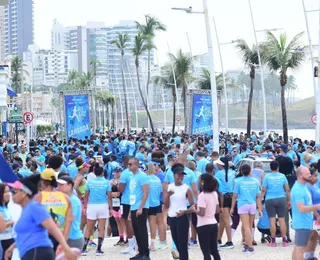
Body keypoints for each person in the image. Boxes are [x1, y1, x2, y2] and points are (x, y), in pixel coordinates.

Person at [6, 175, 78, 260]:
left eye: (14, 192)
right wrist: (13, 246)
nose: (11, 195)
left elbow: (52, 228)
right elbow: (27, 234)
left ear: (24, 193)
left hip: (37, 252)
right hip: (31, 252)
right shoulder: (27, 209)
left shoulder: (35, 207)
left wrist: (66, 249)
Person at [34, 168, 73, 253]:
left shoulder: (38, 197)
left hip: (43, 237)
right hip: (60, 236)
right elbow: (69, 221)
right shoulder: (65, 197)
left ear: (42, 182)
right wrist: (64, 242)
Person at [164, 163, 194, 260]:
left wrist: (184, 212)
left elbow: (192, 206)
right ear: (174, 175)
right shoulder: (169, 187)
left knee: (183, 243)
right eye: (178, 174)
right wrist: (168, 196)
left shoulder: (186, 188)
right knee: (176, 241)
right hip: (172, 217)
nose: (180, 177)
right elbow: (166, 205)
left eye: (182, 175)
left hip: (182, 218)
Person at [81, 165, 112, 256]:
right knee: (101, 228)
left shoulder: (90, 182)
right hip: (103, 206)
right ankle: (99, 249)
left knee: (89, 228)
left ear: (94, 173)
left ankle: (84, 249)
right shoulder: (106, 182)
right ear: (102, 173)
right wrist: (111, 208)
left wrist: (85, 206)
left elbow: (86, 195)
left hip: (92, 206)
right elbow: (109, 196)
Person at [291, 166, 320, 260]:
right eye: (307, 174)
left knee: (298, 247)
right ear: (300, 176)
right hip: (302, 223)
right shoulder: (299, 189)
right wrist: (317, 206)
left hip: (304, 222)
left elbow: (308, 204)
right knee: (300, 249)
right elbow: (301, 208)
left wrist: (316, 214)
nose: (310, 176)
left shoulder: (303, 187)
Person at [231, 164, 261, 254]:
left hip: (243, 204)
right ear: (250, 171)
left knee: (246, 226)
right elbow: (258, 195)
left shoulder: (238, 181)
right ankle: (248, 244)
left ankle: (250, 247)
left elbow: (235, 195)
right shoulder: (255, 181)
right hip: (252, 204)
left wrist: (232, 207)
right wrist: (259, 208)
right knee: (250, 225)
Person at [260, 160, 290, 247]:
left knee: (272, 220)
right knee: (282, 220)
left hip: (270, 199)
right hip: (281, 198)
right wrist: (289, 200)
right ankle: (284, 240)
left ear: (270, 167)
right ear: (278, 167)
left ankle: (273, 241)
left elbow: (263, 190)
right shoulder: (282, 176)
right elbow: (287, 189)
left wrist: (260, 200)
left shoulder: (267, 177)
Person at [191, 173, 221, 260]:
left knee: (206, 251)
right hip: (213, 223)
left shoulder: (202, 195)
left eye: (199, 179)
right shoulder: (214, 194)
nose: (198, 181)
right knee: (214, 250)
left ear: (203, 182)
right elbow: (217, 210)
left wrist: (194, 210)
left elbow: (201, 213)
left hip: (203, 225)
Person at [128, 157, 150, 260]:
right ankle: (140, 252)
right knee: (136, 230)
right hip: (134, 206)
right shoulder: (133, 177)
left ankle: (146, 253)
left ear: (136, 165)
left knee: (142, 230)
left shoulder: (142, 176)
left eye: (130, 164)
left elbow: (146, 192)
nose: (128, 166)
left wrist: (141, 207)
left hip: (141, 206)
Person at [57, 176, 84, 251]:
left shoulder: (73, 200)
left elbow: (69, 219)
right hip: (64, 237)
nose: (59, 187)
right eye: (58, 185)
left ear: (70, 185)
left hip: (72, 238)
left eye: (62, 185)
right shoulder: (62, 199)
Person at [215, 157, 235, 249]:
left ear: (221, 165)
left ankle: (229, 241)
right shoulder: (232, 172)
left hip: (223, 197)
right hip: (231, 196)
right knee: (223, 219)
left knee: (226, 220)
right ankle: (218, 239)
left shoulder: (218, 174)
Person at [119, 156, 136, 255]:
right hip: (136, 200)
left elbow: (121, 189)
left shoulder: (124, 173)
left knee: (128, 222)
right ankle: (137, 244)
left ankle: (131, 246)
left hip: (126, 200)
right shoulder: (138, 173)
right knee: (137, 223)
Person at [303, 163, 320, 259]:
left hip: (316, 215)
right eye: (315, 176)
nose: (317, 177)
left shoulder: (314, 186)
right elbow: (309, 204)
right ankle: (308, 256)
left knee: (313, 237)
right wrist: (317, 215)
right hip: (314, 216)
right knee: (313, 236)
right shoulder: (307, 188)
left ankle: (310, 256)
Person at [146, 163, 162, 251]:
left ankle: (141, 243)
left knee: (143, 225)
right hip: (155, 203)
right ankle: (152, 244)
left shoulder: (146, 179)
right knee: (153, 224)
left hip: (146, 203)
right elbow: (160, 192)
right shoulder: (157, 179)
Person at [110, 166, 126, 246]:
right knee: (118, 221)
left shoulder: (123, 181)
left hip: (121, 203)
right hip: (114, 203)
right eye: (115, 172)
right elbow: (108, 192)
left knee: (123, 221)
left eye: (118, 172)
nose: (116, 173)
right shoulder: (111, 181)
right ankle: (121, 237)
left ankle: (127, 237)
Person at [0, 184, 14, 259]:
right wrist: (12, 222)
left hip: (9, 239)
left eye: (8, 191)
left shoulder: (6, 207)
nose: (8, 194)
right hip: (1, 241)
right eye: (5, 192)